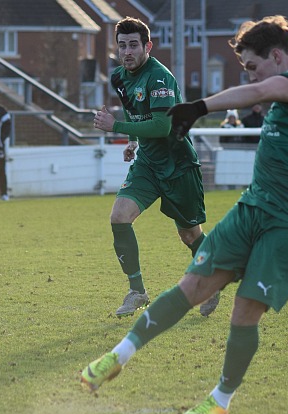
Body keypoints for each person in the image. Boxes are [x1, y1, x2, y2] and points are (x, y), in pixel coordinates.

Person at [80, 15, 288, 414]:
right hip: (253, 207)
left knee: (244, 310)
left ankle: (219, 399)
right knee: (192, 285)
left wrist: (198, 107)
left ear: (276, 55)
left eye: (252, 66)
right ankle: (116, 357)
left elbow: (265, 87)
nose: (252, 79)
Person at [92, 17, 217, 318]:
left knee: (189, 234)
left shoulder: (159, 78)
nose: (127, 52)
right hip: (148, 162)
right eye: (122, 46)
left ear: (147, 46)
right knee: (119, 217)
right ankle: (137, 292)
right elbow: (134, 109)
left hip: (177, 164)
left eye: (133, 45)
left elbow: (163, 125)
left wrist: (117, 127)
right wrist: (133, 140)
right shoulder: (119, 77)